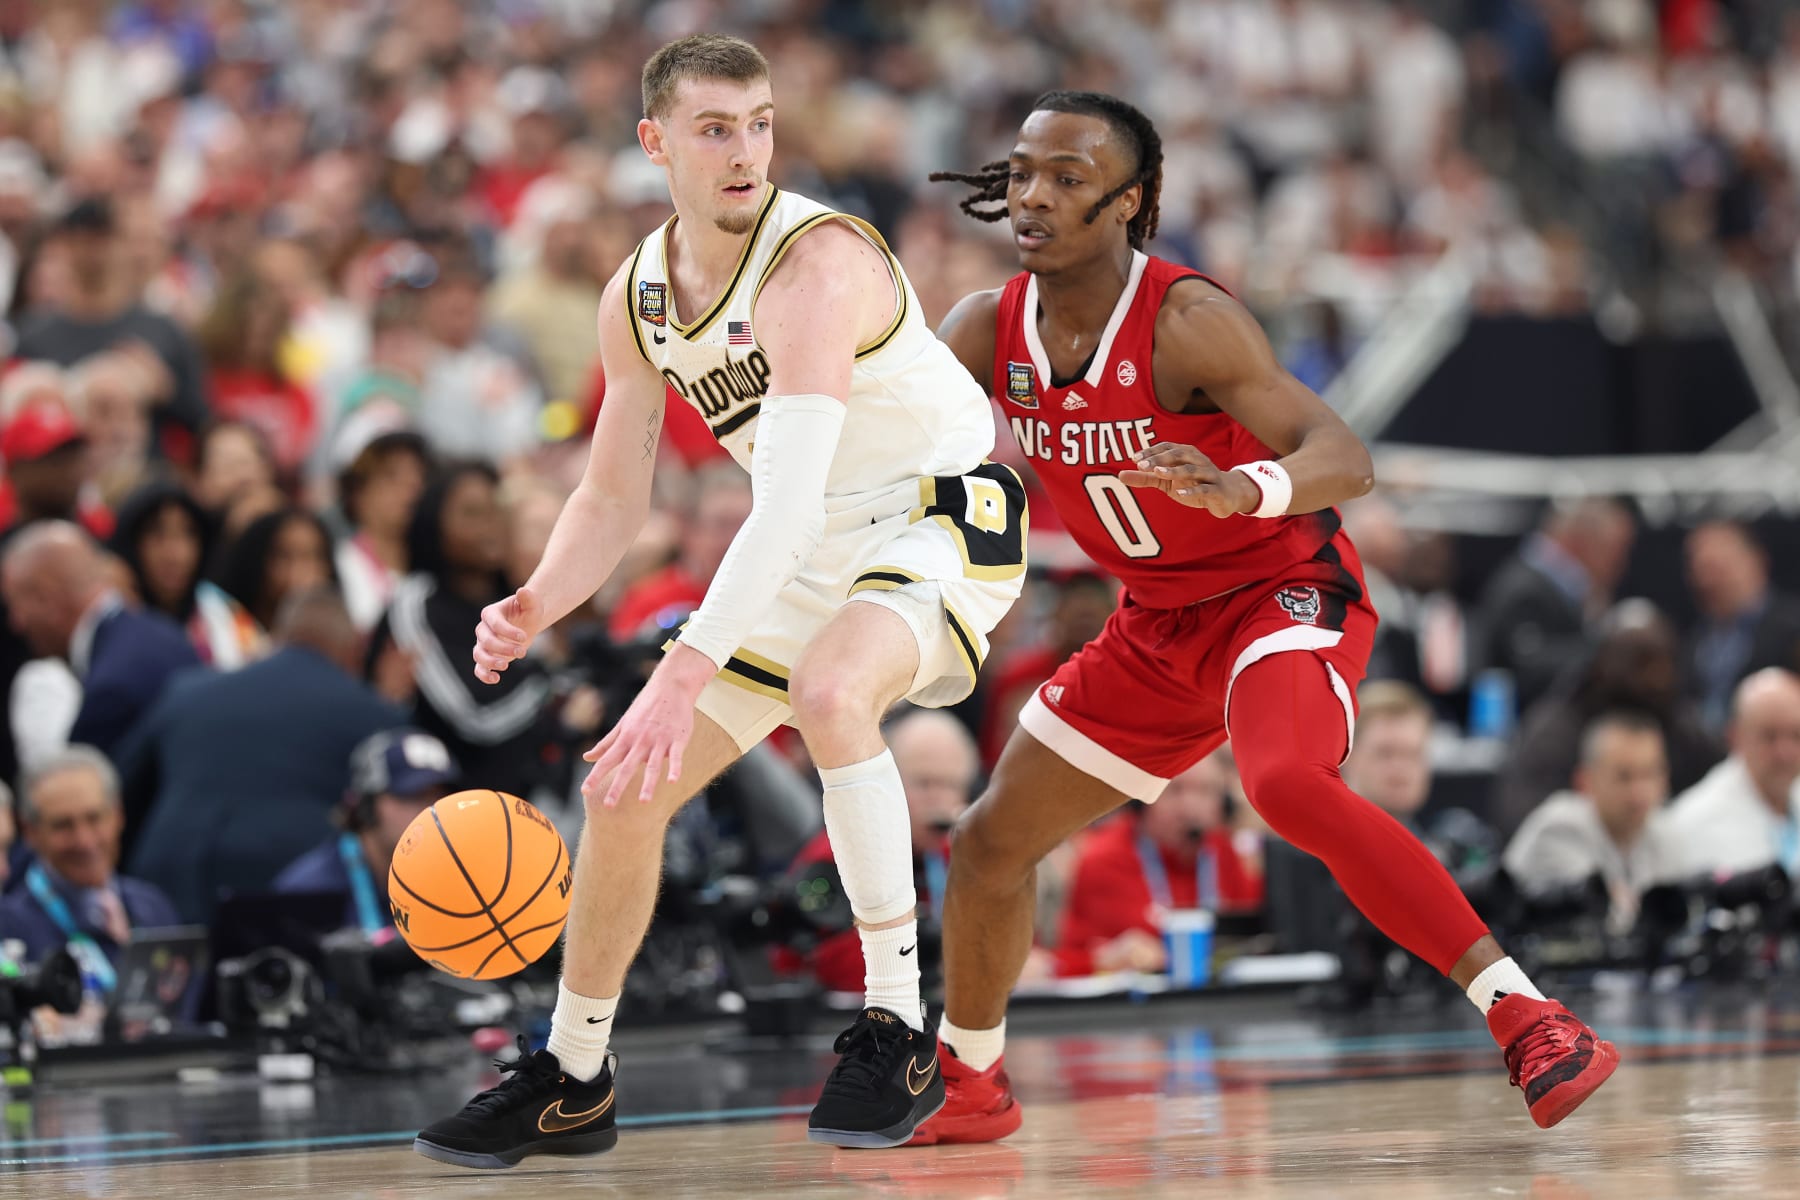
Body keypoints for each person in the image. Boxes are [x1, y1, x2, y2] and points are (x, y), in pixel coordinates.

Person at [920, 90, 1615, 1143]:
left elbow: (1345, 455)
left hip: (1276, 592)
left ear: (1129, 203)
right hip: (1153, 625)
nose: (1031, 195)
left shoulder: (1187, 321)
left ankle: (1529, 1015)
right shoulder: (983, 328)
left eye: (1066, 177)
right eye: (1021, 170)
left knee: (1284, 781)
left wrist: (1245, 491)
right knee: (986, 846)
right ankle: (971, 1083)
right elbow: (886, 433)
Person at [414, 35, 1025, 1168]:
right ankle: (575, 1076)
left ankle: (898, 1022)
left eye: (758, 123)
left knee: (833, 689)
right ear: (655, 143)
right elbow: (609, 490)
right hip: (808, 540)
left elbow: (783, 509)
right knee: (625, 791)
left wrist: (680, 669)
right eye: (713, 128)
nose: (745, 152)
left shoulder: (815, 267)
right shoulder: (637, 294)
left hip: (929, 514)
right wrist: (537, 600)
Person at [120, 589, 405, 923]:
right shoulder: (372, 712)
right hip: (287, 880)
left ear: (275, 637)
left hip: (169, 869)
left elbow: (121, 783)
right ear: (355, 649)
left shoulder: (186, 691)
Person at [365, 462, 555, 800]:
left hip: (524, 798)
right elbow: (474, 717)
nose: (490, 526)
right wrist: (550, 687)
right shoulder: (414, 602)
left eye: (497, 512)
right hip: (445, 800)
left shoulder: (518, 597)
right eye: (471, 513)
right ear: (434, 524)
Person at [777, 708, 979, 992]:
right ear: (890, 781)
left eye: (952, 785)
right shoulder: (843, 851)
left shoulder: (961, 856)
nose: (941, 801)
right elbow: (837, 969)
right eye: (925, 783)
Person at [1, 521, 200, 767]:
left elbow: (84, 796)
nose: (15, 623)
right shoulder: (168, 634)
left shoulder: (110, 694)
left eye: (16, 605)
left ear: (47, 598)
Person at [1051, 751, 1262, 979]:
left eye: (1205, 791)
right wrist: (1105, 959)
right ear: (1142, 800)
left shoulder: (1222, 852)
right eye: (1174, 791)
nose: (1189, 806)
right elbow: (1069, 959)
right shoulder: (1104, 859)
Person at [0, 746, 179, 973]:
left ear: (118, 815)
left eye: (94, 818)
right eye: (63, 826)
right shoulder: (9, 927)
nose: (84, 841)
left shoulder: (154, 908)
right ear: (30, 832)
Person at [274, 727, 461, 936]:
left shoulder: (464, 882)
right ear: (366, 806)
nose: (430, 810)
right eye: (411, 796)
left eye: (440, 798)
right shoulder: (310, 891)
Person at [1503, 711, 1675, 932]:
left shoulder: (1660, 829)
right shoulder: (1558, 828)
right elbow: (1611, 923)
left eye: (1651, 773)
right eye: (1624, 777)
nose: (1640, 792)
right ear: (1585, 781)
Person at [1475, 498, 1636, 711]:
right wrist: (1605, 656)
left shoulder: (1575, 590)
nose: (1621, 565)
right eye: (1616, 550)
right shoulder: (1523, 589)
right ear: (1581, 540)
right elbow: (1528, 671)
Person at [1661, 668, 1800, 879]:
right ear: (1735, 737)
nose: (1785, 753)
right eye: (1769, 736)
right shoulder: (1694, 823)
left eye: (1796, 735)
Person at [108, 481, 261, 669]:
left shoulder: (225, 614)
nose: (175, 554)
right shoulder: (110, 618)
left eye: (188, 534)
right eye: (157, 534)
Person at [1684, 522, 1800, 734]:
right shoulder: (1694, 638)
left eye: (1718, 568)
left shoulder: (1792, 628)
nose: (1708, 581)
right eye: (1700, 570)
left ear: (1757, 562)